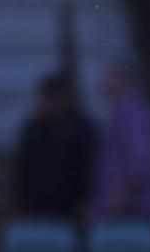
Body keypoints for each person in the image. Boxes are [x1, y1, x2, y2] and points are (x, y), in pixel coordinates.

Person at [12, 71, 97, 219]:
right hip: (36, 206)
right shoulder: (33, 128)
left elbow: (88, 168)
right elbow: (23, 169)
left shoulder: (81, 129)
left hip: (72, 207)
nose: (47, 103)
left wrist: (85, 202)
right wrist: (22, 204)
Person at [92, 62, 150, 219]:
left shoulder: (133, 113)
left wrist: (121, 196)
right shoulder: (121, 111)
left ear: (121, 79)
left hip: (130, 210)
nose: (103, 82)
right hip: (121, 206)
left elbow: (141, 159)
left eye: (109, 76)